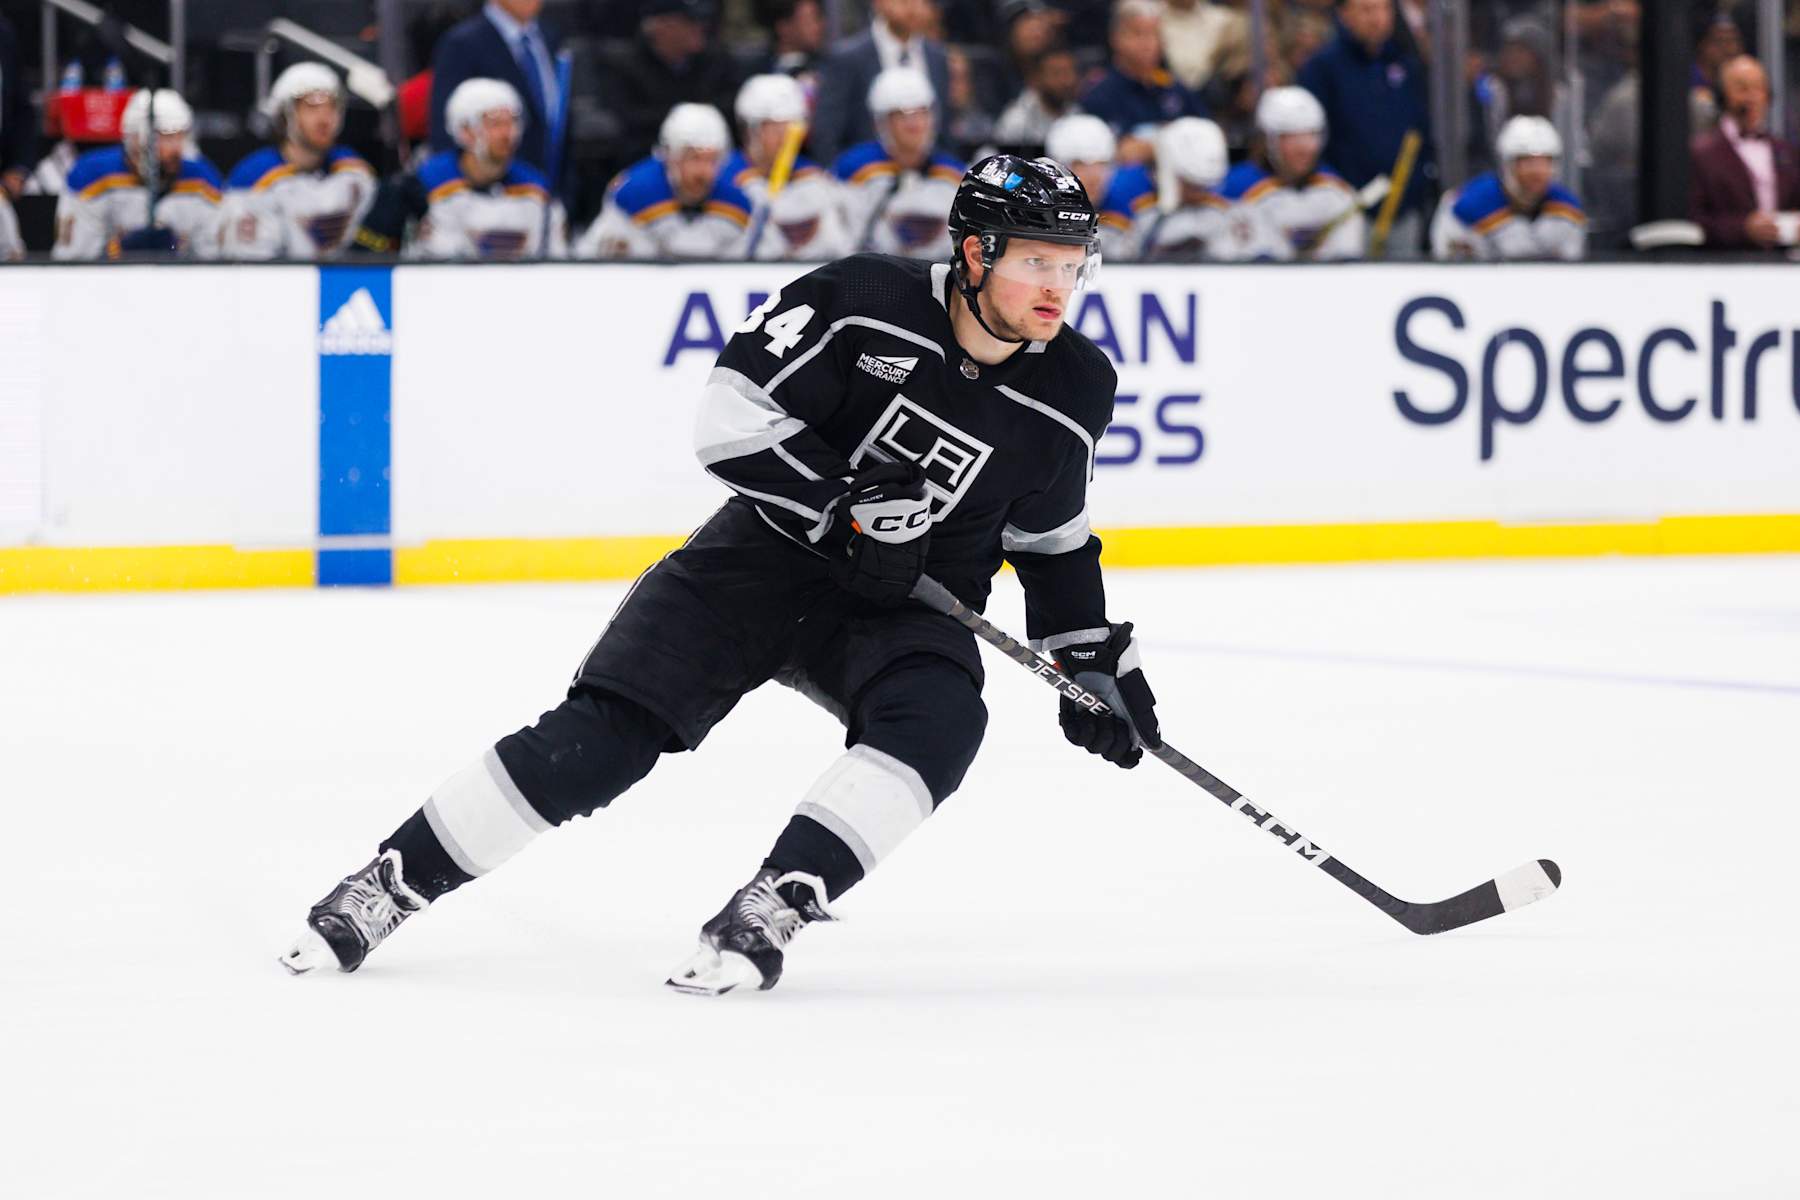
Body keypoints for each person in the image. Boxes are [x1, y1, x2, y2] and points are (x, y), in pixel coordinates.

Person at [279, 154, 1162, 999]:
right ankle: (392, 882)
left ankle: (776, 903)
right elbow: (729, 418)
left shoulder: (1078, 383)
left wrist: (1087, 659)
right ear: (975, 253)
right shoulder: (860, 299)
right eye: (1036, 261)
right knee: (600, 743)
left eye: (1073, 264)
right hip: (761, 561)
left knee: (938, 726)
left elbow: (1051, 537)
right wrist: (843, 507)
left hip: (905, 602)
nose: (1057, 287)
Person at [1298, 0, 1433, 257]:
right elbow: (1313, 139)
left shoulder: (1405, 65)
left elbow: (1421, 131)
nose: (1377, 18)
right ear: (1344, 14)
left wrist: (1416, 188)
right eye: (1367, 10)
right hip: (1344, 209)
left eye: (1384, 9)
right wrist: (1337, 192)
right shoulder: (1322, 68)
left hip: (1403, 209)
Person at [218, 64, 377, 260]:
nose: (324, 118)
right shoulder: (255, 177)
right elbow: (250, 272)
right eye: (312, 106)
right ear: (285, 116)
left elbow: (373, 245)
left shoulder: (355, 171)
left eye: (331, 106)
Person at [53, 88, 222, 260]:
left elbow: (215, 263)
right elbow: (74, 263)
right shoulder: (92, 176)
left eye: (181, 137)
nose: (177, 148)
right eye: (167, 137)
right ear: (136, 139)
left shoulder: (202, 180)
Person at [410, 78, 566, 259]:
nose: (508, 134)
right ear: (465, 131)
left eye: (512, 122)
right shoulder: (427, 184)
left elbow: (555, 260)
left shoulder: (536, 190)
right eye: (496, 124)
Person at [578, 103, 752, 258]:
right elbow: (592, 259)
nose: (704, 172)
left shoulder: (738, 198)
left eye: (712, 160)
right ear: (670, 157)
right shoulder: (635, 193)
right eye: (694, 159)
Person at [833, 67, 965, 259]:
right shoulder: (855, 169)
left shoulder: (952, 173)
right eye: (902, 115)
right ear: (881, 122)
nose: (916, 123)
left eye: (922, 113)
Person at [1220, 86, 1362, 261]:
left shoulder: (1335, 190)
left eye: (1312, 135)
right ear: (1269, 141)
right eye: (1291, 137)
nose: (1305, 147)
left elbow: (1347, 261)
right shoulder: (1237, 189)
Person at [428, 0, 565, 179]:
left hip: (549, 188)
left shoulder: (550, 36)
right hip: (490, 188)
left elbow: (558, 114)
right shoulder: (462, 43)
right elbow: (445, 128)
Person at [603, 0, 743, 167]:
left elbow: (734, 106)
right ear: (661, 27)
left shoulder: (717, 60)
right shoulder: (624, 68)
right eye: (689, 21)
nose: (699, 28)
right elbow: (627, 121)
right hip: (649, 163)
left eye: (701, 20)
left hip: (716, 161)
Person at [727, 74, 851, 259]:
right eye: (774, 128)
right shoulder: (727, 178)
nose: (785, 137)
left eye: (792, 127)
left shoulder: (815, 180)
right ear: (750, 130)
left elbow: (839, 248)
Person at [810, 0, 952, 162]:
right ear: (878, 3)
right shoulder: (847, 59)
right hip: (862, 177)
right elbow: (827, 133)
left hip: (928, 178)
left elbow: (944, 131)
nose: (914, 6)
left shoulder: (937, 57)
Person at [1431, 115, 1585, 262]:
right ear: (1508, 165)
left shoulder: (1567, 210)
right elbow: (1456, 270)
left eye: (1545, 162)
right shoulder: (1468, 206)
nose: (1537, 172)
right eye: (1527, 162)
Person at [1689, 54, 1800, 251]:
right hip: (1726, 265)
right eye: (1742, 89)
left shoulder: (1785, 152)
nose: (1752, 97)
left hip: (1782, 267)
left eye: (1758, 88)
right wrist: (1743, 229)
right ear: (1722, 95)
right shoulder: (1702, 153)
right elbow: (1692, 220)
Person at [1079, 0, 1208, 166]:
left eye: (1154, 34)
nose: (1147, 43)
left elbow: (1207, 136)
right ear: (1116, 38)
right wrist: (1175, 143)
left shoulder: (1173, 88)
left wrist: (1150, 147)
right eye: (1138, 33)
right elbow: (1118, 153)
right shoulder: (1100, 93)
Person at [1139, 115, 1257, 261]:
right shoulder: (1146, 218)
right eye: (1190, 184)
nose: (1198, 191)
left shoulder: (1237, 214)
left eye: (1200, 186)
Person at [1046, 112, 1150, 261]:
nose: (1094, 176)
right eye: (1080, 164)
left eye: (1102, 164)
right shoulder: (1036, 223)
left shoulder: (1127, 217)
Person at [992, 45, 1086, 153]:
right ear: (1037, 78)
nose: (1066, 81)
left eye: (1070, 72)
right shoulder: (1017, 119)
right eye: (1057, 74)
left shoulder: (1077, 113)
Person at [752, 0, 828, 91]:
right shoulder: (754, 72)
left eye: (819, 19)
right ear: (783, 27)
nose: (820, 26)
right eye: (810, 20)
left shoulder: (828, 71)